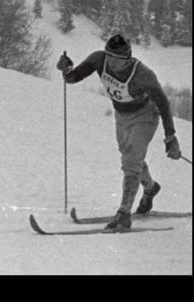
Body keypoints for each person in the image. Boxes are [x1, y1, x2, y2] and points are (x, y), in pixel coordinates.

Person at [56, 33, 182, 230]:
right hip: (121, 116)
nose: (113, 64)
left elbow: (163, 102)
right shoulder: (99, 59)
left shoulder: (142, 73)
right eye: (110, 58)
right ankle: (150, 188)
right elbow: (73, 78)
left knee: (131, 161)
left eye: (119, 61)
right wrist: (66, 69)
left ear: (129, 58)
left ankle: (123, 214)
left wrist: (170, 136)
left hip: (145, 116)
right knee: (128, 156)